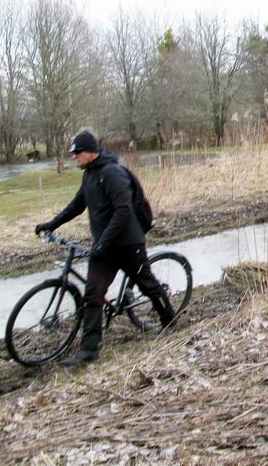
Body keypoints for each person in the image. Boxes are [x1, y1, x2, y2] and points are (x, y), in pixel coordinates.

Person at [35, 129, 175, 366]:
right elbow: (77, 206)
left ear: (90, 152)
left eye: (77, 152)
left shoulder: (112, 173)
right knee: (93, 295)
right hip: (104, 248)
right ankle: (89, 350)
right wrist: (51, 224)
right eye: (73, 153)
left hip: (128, 243)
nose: (74, 156)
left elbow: (123, 211)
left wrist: (103, 242)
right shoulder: (89, 174)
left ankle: (170, 322)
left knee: (148, 284)